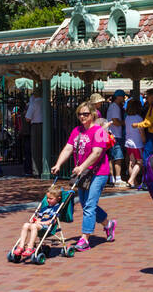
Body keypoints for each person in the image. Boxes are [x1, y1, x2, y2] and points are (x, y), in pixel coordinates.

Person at [49, 99, 117, 251]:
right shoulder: (76, 131)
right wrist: (58, 164)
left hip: (98, 172)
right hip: (83, 172)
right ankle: (109, 224)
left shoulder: (99, 131)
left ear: (92, 114)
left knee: (89, 205)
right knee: (87, 204)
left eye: (85, 114)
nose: (82, 117)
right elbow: (68, 148)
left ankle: (85, 238)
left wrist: (81, 167)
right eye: (80, 114)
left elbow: (97, 152)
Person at [104, 89, 129, 187]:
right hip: (116, 135)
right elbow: (115, 121)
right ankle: (117, 178)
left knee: (112, 157)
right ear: (118, 97)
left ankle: (112, 177)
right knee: (118, 157)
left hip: (112, 134)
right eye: (122, 97)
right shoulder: (115, 107)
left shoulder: (113, 106)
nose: (123, 99)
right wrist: (125, 123)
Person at [135, 88, 153, 160]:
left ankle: (148, 171)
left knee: (147, 155)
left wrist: (136, 125)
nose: (147, 99)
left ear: (152, 96)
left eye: (147, 97)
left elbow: (148, 122)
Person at [123, 95, 145, 188]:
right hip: (137, 143)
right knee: (140, 162)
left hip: (128, 142)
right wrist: (144, 140)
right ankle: (131, 179)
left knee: (131, 162)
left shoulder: (127, 117)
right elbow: (141, 131)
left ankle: (134, 181)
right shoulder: (139, 118)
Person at [23, 90, 44, 176]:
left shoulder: (34, 103)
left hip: (36, 125)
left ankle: (36, 171)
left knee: (35, 149)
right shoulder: (45, 102)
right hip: (45, 125)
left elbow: (28, 118)